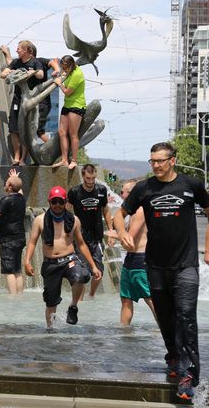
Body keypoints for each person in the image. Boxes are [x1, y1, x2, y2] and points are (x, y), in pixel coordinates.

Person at [114, 142, 209, 402]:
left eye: (160, 160)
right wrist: (122, 233)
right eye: (152, 161)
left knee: (186, 316)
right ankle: (174, 356)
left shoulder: (192, 185)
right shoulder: (145, 188)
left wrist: (208, 247)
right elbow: (119, 213)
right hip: (155, 265)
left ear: (173, 161)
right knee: (165, 318)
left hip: (186, 264)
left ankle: (189, 374)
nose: (155, 165)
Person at [23, 186, 102, 328]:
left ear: (66, 202)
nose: (58, 205)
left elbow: (82, 244)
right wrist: (27, 262)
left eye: (61, 201)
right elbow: (32, 243)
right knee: (51, 302)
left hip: (69, 259)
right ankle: (50, 329)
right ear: (49, 202)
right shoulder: (40, 221)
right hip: (50, 263)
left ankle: (73, 306)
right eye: (54, 202)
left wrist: (93, 266)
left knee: (81, 276)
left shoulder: (74, 220)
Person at [66, 164, 114, 299]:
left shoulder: (101, 190)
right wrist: (66, 232)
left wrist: (110, 230)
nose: (91, 181)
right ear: (83, 176)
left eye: (93, 178)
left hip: (97, 237)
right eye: (88, 178)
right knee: (82, 272)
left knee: (99, 271)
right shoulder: (74, 192)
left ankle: (91, 295)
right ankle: (79, 301)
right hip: (80, 237)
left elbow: (105, 210)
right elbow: (67, 211)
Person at [114, 180, 156, 326]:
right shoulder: (131, 211)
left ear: (132, 194)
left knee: (150, 298)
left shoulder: (140, 211)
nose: (121, 194)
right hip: (130, 259)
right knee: (126, 298)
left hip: (141, 259)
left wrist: (112, 234)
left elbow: (129, 238)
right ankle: (123, 331)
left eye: (123, 191)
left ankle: (165, 329)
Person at [1, 44, 60, 142]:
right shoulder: (20, 62)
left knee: (37, 131)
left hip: (41, 102)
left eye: (19, 49)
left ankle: (57, 148)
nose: (17, 51)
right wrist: (7, 54)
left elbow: (53, 62)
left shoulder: (39, 61)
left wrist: (57, 70)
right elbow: (12, 66)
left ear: (29, 52)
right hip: (25, 100)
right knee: (24, 129)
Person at [0, 40, 44, 165]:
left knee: (26, 129)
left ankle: (24, 158)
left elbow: (41, 74)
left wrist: (32, 72)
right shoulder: (16, 62)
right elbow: (2, 75)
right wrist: (12, 72)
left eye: (19, 48)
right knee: (13, 128)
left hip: (30, 100)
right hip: (17, 99)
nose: (16, 50)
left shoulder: (35, 62)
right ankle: (17, 156)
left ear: (26, 51)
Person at [52, 55, 86, 170]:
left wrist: (59, 84)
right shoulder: (69, 72)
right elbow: (62, 75)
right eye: (63, 67)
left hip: (76, 105)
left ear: (71, 65)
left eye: (66, 68)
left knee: (73, 134)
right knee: (62, 132)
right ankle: (64, 159)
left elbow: (67, 92)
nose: (64, 70)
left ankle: (74, 160)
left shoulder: (77, 74)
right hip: (67, 105)